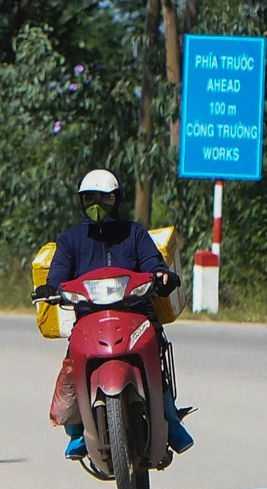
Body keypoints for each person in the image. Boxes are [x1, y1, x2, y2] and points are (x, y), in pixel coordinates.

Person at [35, 168, 191, 459]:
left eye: (104, 198)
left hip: (136, 313)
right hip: (89, 319)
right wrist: (50, 288)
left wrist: (161, 275)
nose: (97, 204)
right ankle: (77, 430)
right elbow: (57, 274)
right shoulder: (70, 240)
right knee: (71, 368)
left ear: (116, 199)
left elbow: (152, 262)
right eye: (89, 198)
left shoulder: (134, 233)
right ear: (81, 201)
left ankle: (169, 421)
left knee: (157, 361)